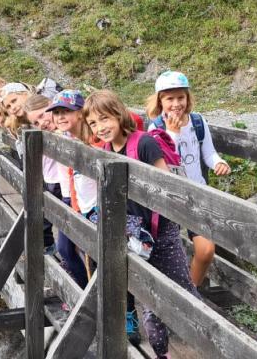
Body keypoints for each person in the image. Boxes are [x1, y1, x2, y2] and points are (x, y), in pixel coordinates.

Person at [85, 89, 201, 358]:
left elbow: (166, 187)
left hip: (160, 233)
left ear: (119, 114)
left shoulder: (145, 143)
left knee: (184, 291)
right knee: (149, 301)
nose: (100, 127)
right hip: (133, 235)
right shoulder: (104, 150)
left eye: (105, 119)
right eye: (93, 123)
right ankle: (162, 354)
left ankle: (212, 342)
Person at [146, 71, 231, 287]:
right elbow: (165, 163)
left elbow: (208, 153)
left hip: (197, 194)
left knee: (206, 250)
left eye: (180, 97)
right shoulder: (155, 128)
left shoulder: (198, 121)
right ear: (160, 100)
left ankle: (189, 292)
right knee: (167, 253)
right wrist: (172, 133)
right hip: (171, 197)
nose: (176, 104)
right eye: (169, 98)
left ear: (187, 98)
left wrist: (219, 163)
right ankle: (172, 296)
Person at [44, 89, 95, 288]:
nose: (60, 117)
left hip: (93, 204)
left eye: (66, 111)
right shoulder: (62, 138)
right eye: (56, 113)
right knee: (65, 248)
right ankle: (85, 290)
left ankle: (92, 294)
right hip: (73, 199)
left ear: (81, 113)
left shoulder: (92, 138)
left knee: (89, 253)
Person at [24, 94, 65, 257]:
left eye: (42, 115)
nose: (42, 123)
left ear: (51, 105)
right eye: (36, 122)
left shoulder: (63, 129)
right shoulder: (44, 134)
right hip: (52, 180)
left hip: (66, 184)